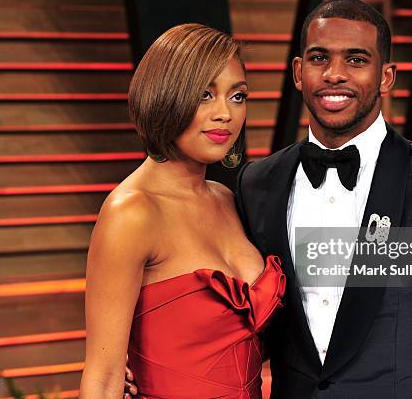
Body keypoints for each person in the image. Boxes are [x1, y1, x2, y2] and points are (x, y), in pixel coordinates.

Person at [125, 0, 412, 398]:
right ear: (297, 71)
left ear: (385, 77)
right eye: (319, 58)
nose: (334, 74)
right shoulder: (257, 184)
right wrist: (143, 369)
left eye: (357, 60)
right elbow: (244, 321)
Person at [79, 23, 285, 399]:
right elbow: (103, 378)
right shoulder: (132, 213)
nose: (225, 113)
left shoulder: (226, 199)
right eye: (205, 94)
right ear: (165, 97)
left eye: (237, 97)